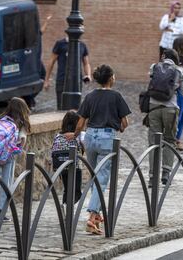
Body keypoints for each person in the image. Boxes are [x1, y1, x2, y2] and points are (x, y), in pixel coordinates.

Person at [73, 65, 131, 235]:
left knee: (94, 176)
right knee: (102, 178)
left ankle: (97, 214)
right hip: (107, 138)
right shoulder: (116, 96)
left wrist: (75, 135)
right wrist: (118, 129)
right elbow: (125, 123)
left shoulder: (90, 96)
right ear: (111, 78)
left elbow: (80, 122)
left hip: (90, 137)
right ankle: (91, 217)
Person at [0, 97, 31, 221]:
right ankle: (1, 212)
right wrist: (18, 150)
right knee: (6, 183)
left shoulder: (1, 119)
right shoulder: (20, 123)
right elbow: (22, 140)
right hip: (8, 157)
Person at [148, 49, 183, 186]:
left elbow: (151, 78)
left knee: (153, 142)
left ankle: (152, 177)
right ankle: (166, 173)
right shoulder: (179, 70)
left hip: (153, 107)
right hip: (171, 109)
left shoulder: (154, 67)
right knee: (170, 140)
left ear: (163, 56)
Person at [44, 37, 92, 110]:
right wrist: (46, 80)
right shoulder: (60, 44)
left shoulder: (82, 45)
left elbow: (86, 63)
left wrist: (88, 75)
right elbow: (51, 62)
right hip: (62, 80)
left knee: (76, 107)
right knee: (61, 107)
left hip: (77, 82)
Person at [51, 110, 84, 213]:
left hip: (61, 166)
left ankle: (66, 206)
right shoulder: (77, 135)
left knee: (67, 189)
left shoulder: (58, 136)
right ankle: (67, 206)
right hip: (75, 167)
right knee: (77, 192)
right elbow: (83, 150)